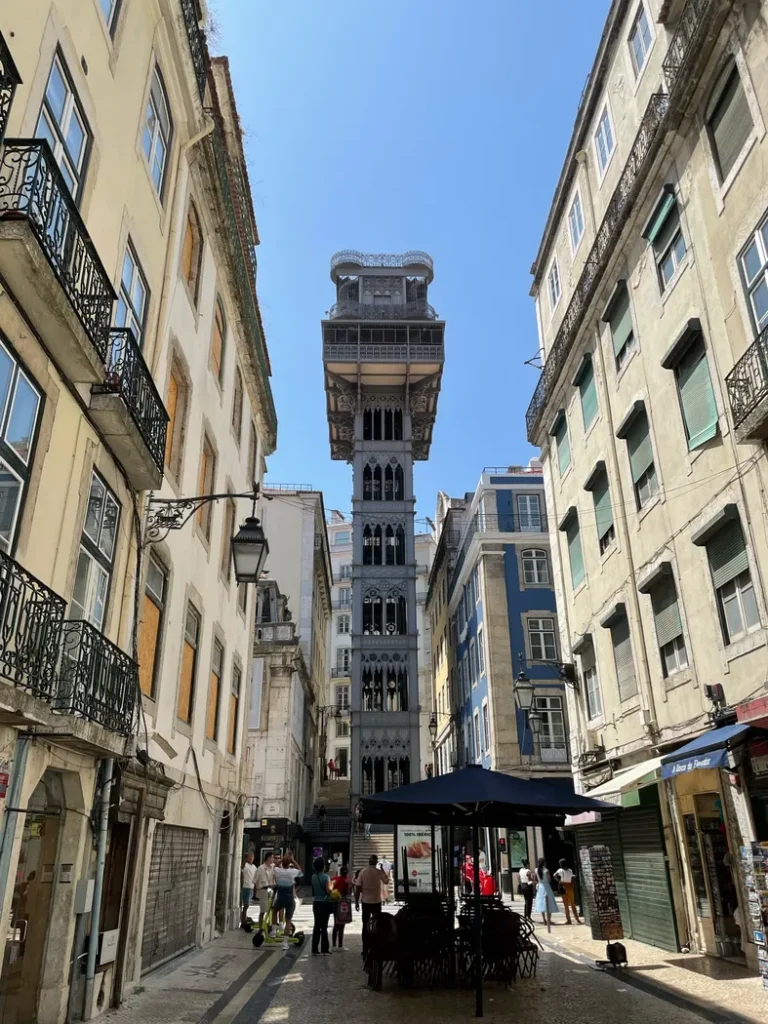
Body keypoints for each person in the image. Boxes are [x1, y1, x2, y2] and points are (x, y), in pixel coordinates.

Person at [355, 854, 389, 954]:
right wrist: (382, 869)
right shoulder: (378, 872)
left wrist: (356, 902)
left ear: (368, 861)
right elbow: (386, 881)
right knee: (376, 925)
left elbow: (357, 888)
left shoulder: (363, 872)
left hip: (365, 902)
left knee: (365, 925)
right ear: (376, 862)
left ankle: (365, 949)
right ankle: (376, 947)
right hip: (376, 902)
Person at [272, 852, 302, 949]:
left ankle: (273, 930)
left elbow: (274, 866)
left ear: (282, 863)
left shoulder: (278, 871)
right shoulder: (292, 872)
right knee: (288, 920)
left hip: (280, 896)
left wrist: (283, 859)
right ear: (289, 864)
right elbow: (300, 871)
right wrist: (292, 859)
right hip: (289, 898)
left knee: (274, 911)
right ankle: (285, 943)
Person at [310, 856, 333, 955]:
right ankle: (324, 948)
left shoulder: (313, 877)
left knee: (316, 925)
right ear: (323, 866)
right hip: (325, 903)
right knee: (324, 926)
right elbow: (329, 890)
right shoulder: (326, 877)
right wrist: (332, 884)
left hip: (316, 903)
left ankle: (314, 948)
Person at [554, 858, 581, 924]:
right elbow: (572, 879)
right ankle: (577, 919)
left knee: (566, 905)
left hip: (564, 887)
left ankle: (568, 920)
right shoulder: (570, 870)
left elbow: (554, 875)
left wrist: (559, 881)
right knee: (573, 904)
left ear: (561, 864)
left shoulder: (560, 870)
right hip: (570, 888)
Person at [332, 866, 353, 950]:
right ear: (347, 873)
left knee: (336, 924)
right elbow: (348, 892)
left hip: (335, 903)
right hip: (343, 904)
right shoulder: (347, 880)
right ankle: (340, 945)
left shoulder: (335, 879)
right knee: (342, 924)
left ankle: (333, 945)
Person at [253, 853, 275, 932]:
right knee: (263, 911)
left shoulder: (273, 868)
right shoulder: (260, 868)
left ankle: (269, 926)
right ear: (268, 858)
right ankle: (261, 927)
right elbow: (255, 881)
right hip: (263, 891)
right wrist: (255, 893)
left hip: (271, 891)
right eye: (272, 857)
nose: (273, 859)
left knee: (271, 911)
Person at [534, 857, 557, 933]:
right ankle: (549, 921)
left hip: (540, 887)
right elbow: (549, 879)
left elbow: (535, 879)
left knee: (541, 903)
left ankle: (544, 919)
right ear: (543, 863)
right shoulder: (546, 870)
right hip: (546, 886)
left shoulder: (536, 870)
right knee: (549, 903)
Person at [240, 853, 257, 929]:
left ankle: (245, 918)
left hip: (251, 887)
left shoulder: (254, 867)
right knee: (245, 905)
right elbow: (241, 870)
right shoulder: (245, 865)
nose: (251, 859)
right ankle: (243, 922)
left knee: (247, 905)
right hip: (246, 887)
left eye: (252, 857)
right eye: (249, 857)